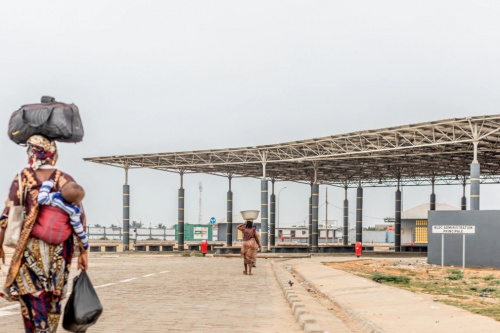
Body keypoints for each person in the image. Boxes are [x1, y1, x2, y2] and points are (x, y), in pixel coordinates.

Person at [0, 135, 88, 333]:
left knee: (32, 295)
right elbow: (80, 218)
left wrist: (0, 245)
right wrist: (83, 252)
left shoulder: (23, 178)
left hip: (29, 247)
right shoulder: (65, 179)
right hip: (59, 251)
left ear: (32, 153)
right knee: (54, 296)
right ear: (53, 153)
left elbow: (7, 215)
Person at [37, 179, 89, 250]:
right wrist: (85, 242)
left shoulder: (55, 197)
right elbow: (78, 228)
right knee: (70, 228)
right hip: (59, 238)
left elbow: (41, 199)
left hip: (41, 231)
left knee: (34, 224)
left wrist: (48, 184)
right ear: (75, 203)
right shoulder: (74, 210)